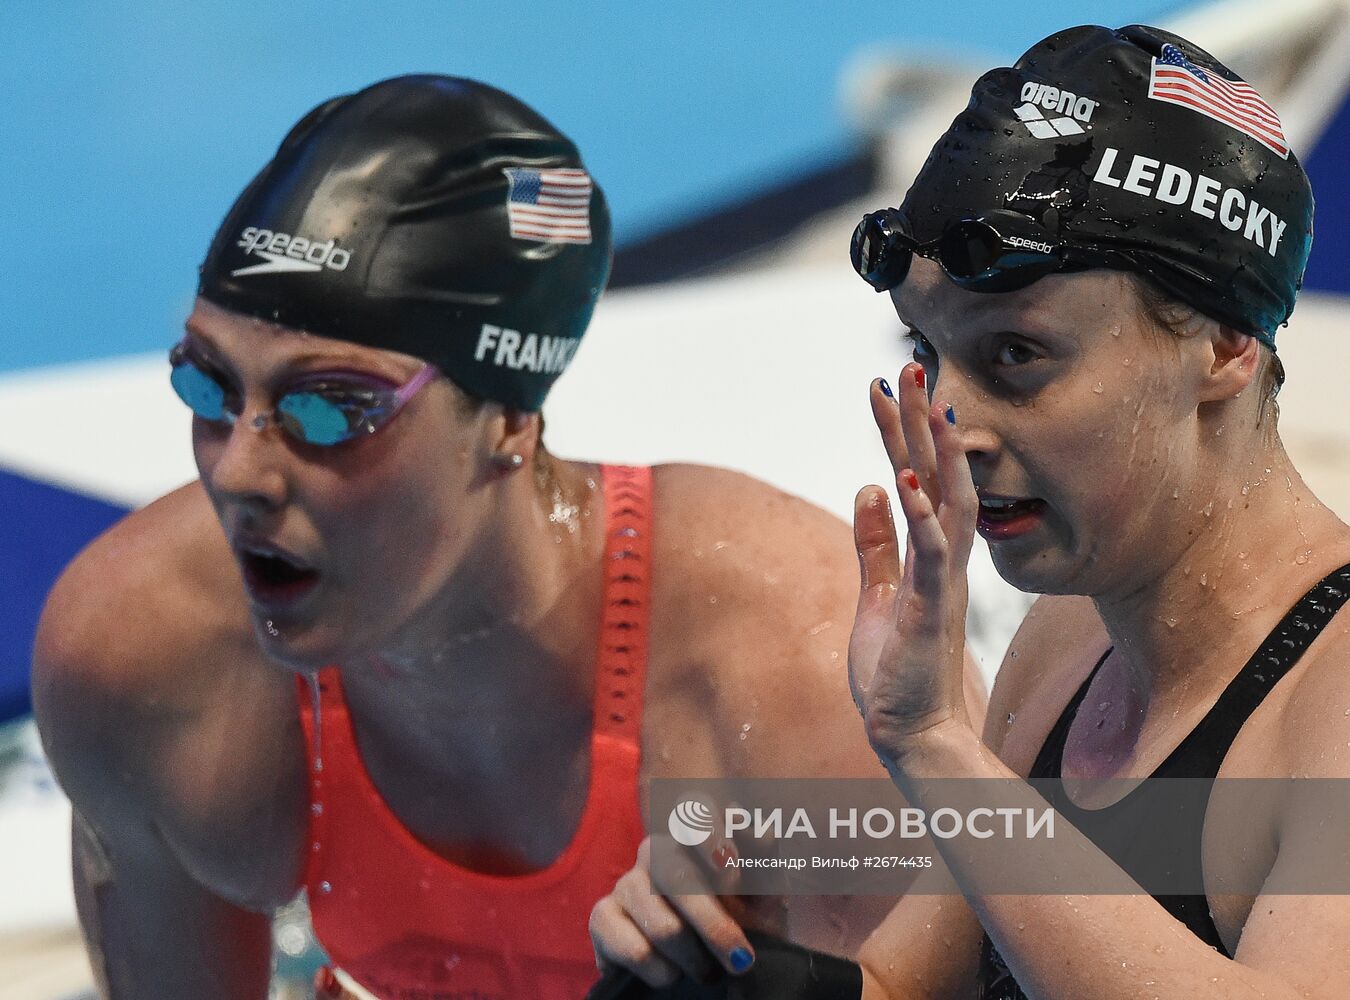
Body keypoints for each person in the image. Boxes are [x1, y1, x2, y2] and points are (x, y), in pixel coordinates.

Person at [30, 76, 986, 1000]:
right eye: (207, 385)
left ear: (507, 422)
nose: (239, 473)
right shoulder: (144, 653)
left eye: (330, 410)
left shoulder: (796, 675)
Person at [589, 23, 1350, 998]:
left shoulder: (1331, 691)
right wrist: (733, 965)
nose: (955, 424)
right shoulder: (1066, 641)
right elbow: (906, 987)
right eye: (931, 351)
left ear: (1226, 344)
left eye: (1017, 358)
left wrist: (937, 747)